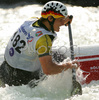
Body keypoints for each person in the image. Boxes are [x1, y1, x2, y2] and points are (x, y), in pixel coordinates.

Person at [0, 1, 79, 87]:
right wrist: (67, 66)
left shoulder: (31, 21)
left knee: (55, 55)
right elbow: (48, 70)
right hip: (20, 80)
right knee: (61, 60)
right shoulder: (43, 39)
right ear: (50, 19)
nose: (62, 23)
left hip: (4, 70)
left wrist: (64, 19)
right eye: (60, 20)